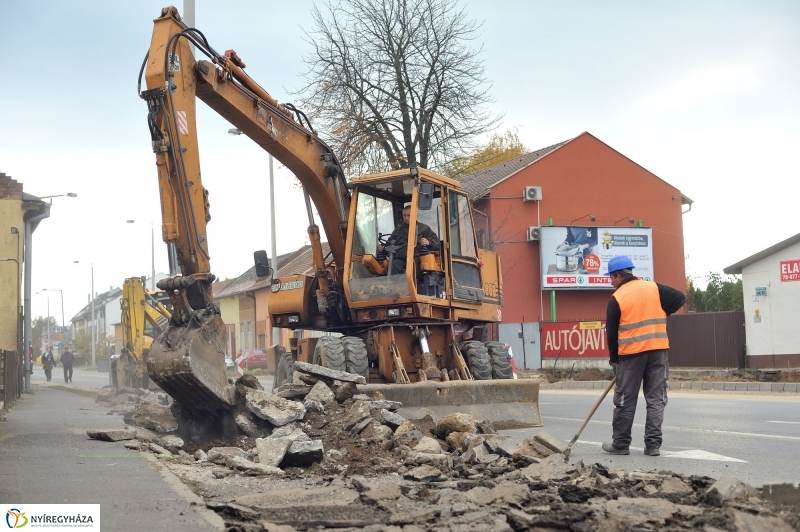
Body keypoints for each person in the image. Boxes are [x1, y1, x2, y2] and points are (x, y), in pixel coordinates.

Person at [602, 255, 686, 457]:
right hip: (658, 352)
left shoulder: (617, 298)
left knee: (625, 400)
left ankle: (621, 444)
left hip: (631, 355)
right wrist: (662, 312)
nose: (611, 282)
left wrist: (614, 360)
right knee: (656, 399)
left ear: (618, 276)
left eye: (611, 278)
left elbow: (611, 334)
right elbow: (680, 297)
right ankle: (653, 445)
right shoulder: (654, 288)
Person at [378, 203, 440, 274]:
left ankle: (414, 284)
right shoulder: (398, 230)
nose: (406, 218)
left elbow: (436, 241)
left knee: (413, 267)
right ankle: (396, 285)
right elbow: (389, 244)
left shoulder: (424, 228)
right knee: (394, 265)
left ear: (414, 215)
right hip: (401, 259)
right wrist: (383, 248)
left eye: (408, 215)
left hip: (416, 257)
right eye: (404, 215)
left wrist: (428, 242)